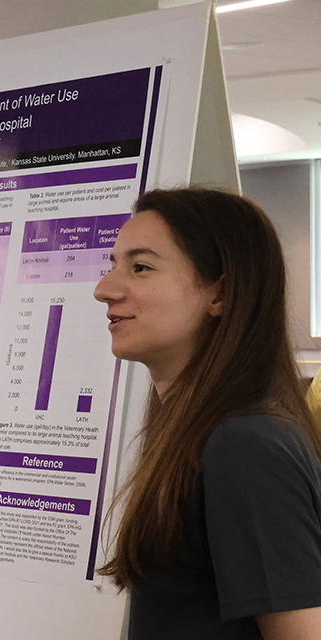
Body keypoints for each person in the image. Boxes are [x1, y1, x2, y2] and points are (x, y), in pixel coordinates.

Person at [93, 188, 321, 639]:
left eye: (141, 268)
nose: (104, 289)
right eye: (113, 264)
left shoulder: (244, 444)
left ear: (221, 293)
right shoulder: (196, 432)